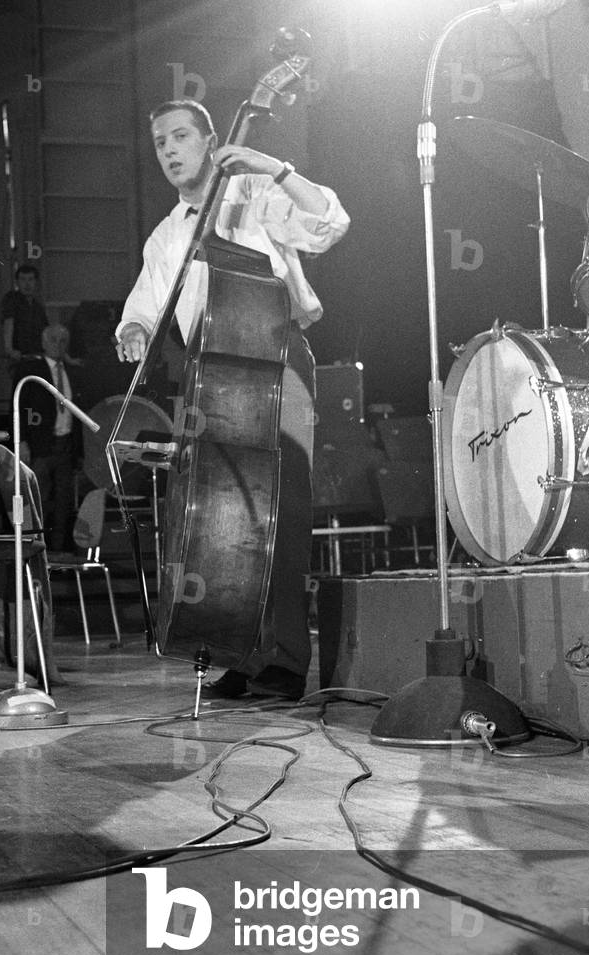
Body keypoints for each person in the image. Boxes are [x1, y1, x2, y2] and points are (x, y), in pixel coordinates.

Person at [115, 98, 350, 700]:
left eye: (180, 136)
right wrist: (134, 328)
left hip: (277, 357)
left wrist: (275, 167)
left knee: (283, 508)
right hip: (211, 373)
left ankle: (286, 661)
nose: (169, 150)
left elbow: (329, 224)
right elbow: (144, 305)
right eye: (160, 142)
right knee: (228, 518)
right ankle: (240, 653)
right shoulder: (166, 234)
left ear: (211, 141)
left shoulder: (252, 191)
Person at [12, 324, 79, 553]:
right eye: (53, 340)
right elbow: (20, 407)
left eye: (62, 340)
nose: (58, 345)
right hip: (39, 445)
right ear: (43, 343)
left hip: (65, 445)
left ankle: (58, 549)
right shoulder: (31, 370)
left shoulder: (72, 372)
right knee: (37, 498)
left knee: (63, 501)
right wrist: (22, 441)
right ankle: (36, 549)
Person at [1, 264, 49, 365]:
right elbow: (8, 323)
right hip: (18, 357)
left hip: (37, 356)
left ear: (36, 282)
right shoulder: (12, 299)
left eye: (30, 279)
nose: (27, 284)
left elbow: (46, 331)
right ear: (17, 282)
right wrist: (9, 349)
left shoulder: (38, 306)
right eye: (23, 279)